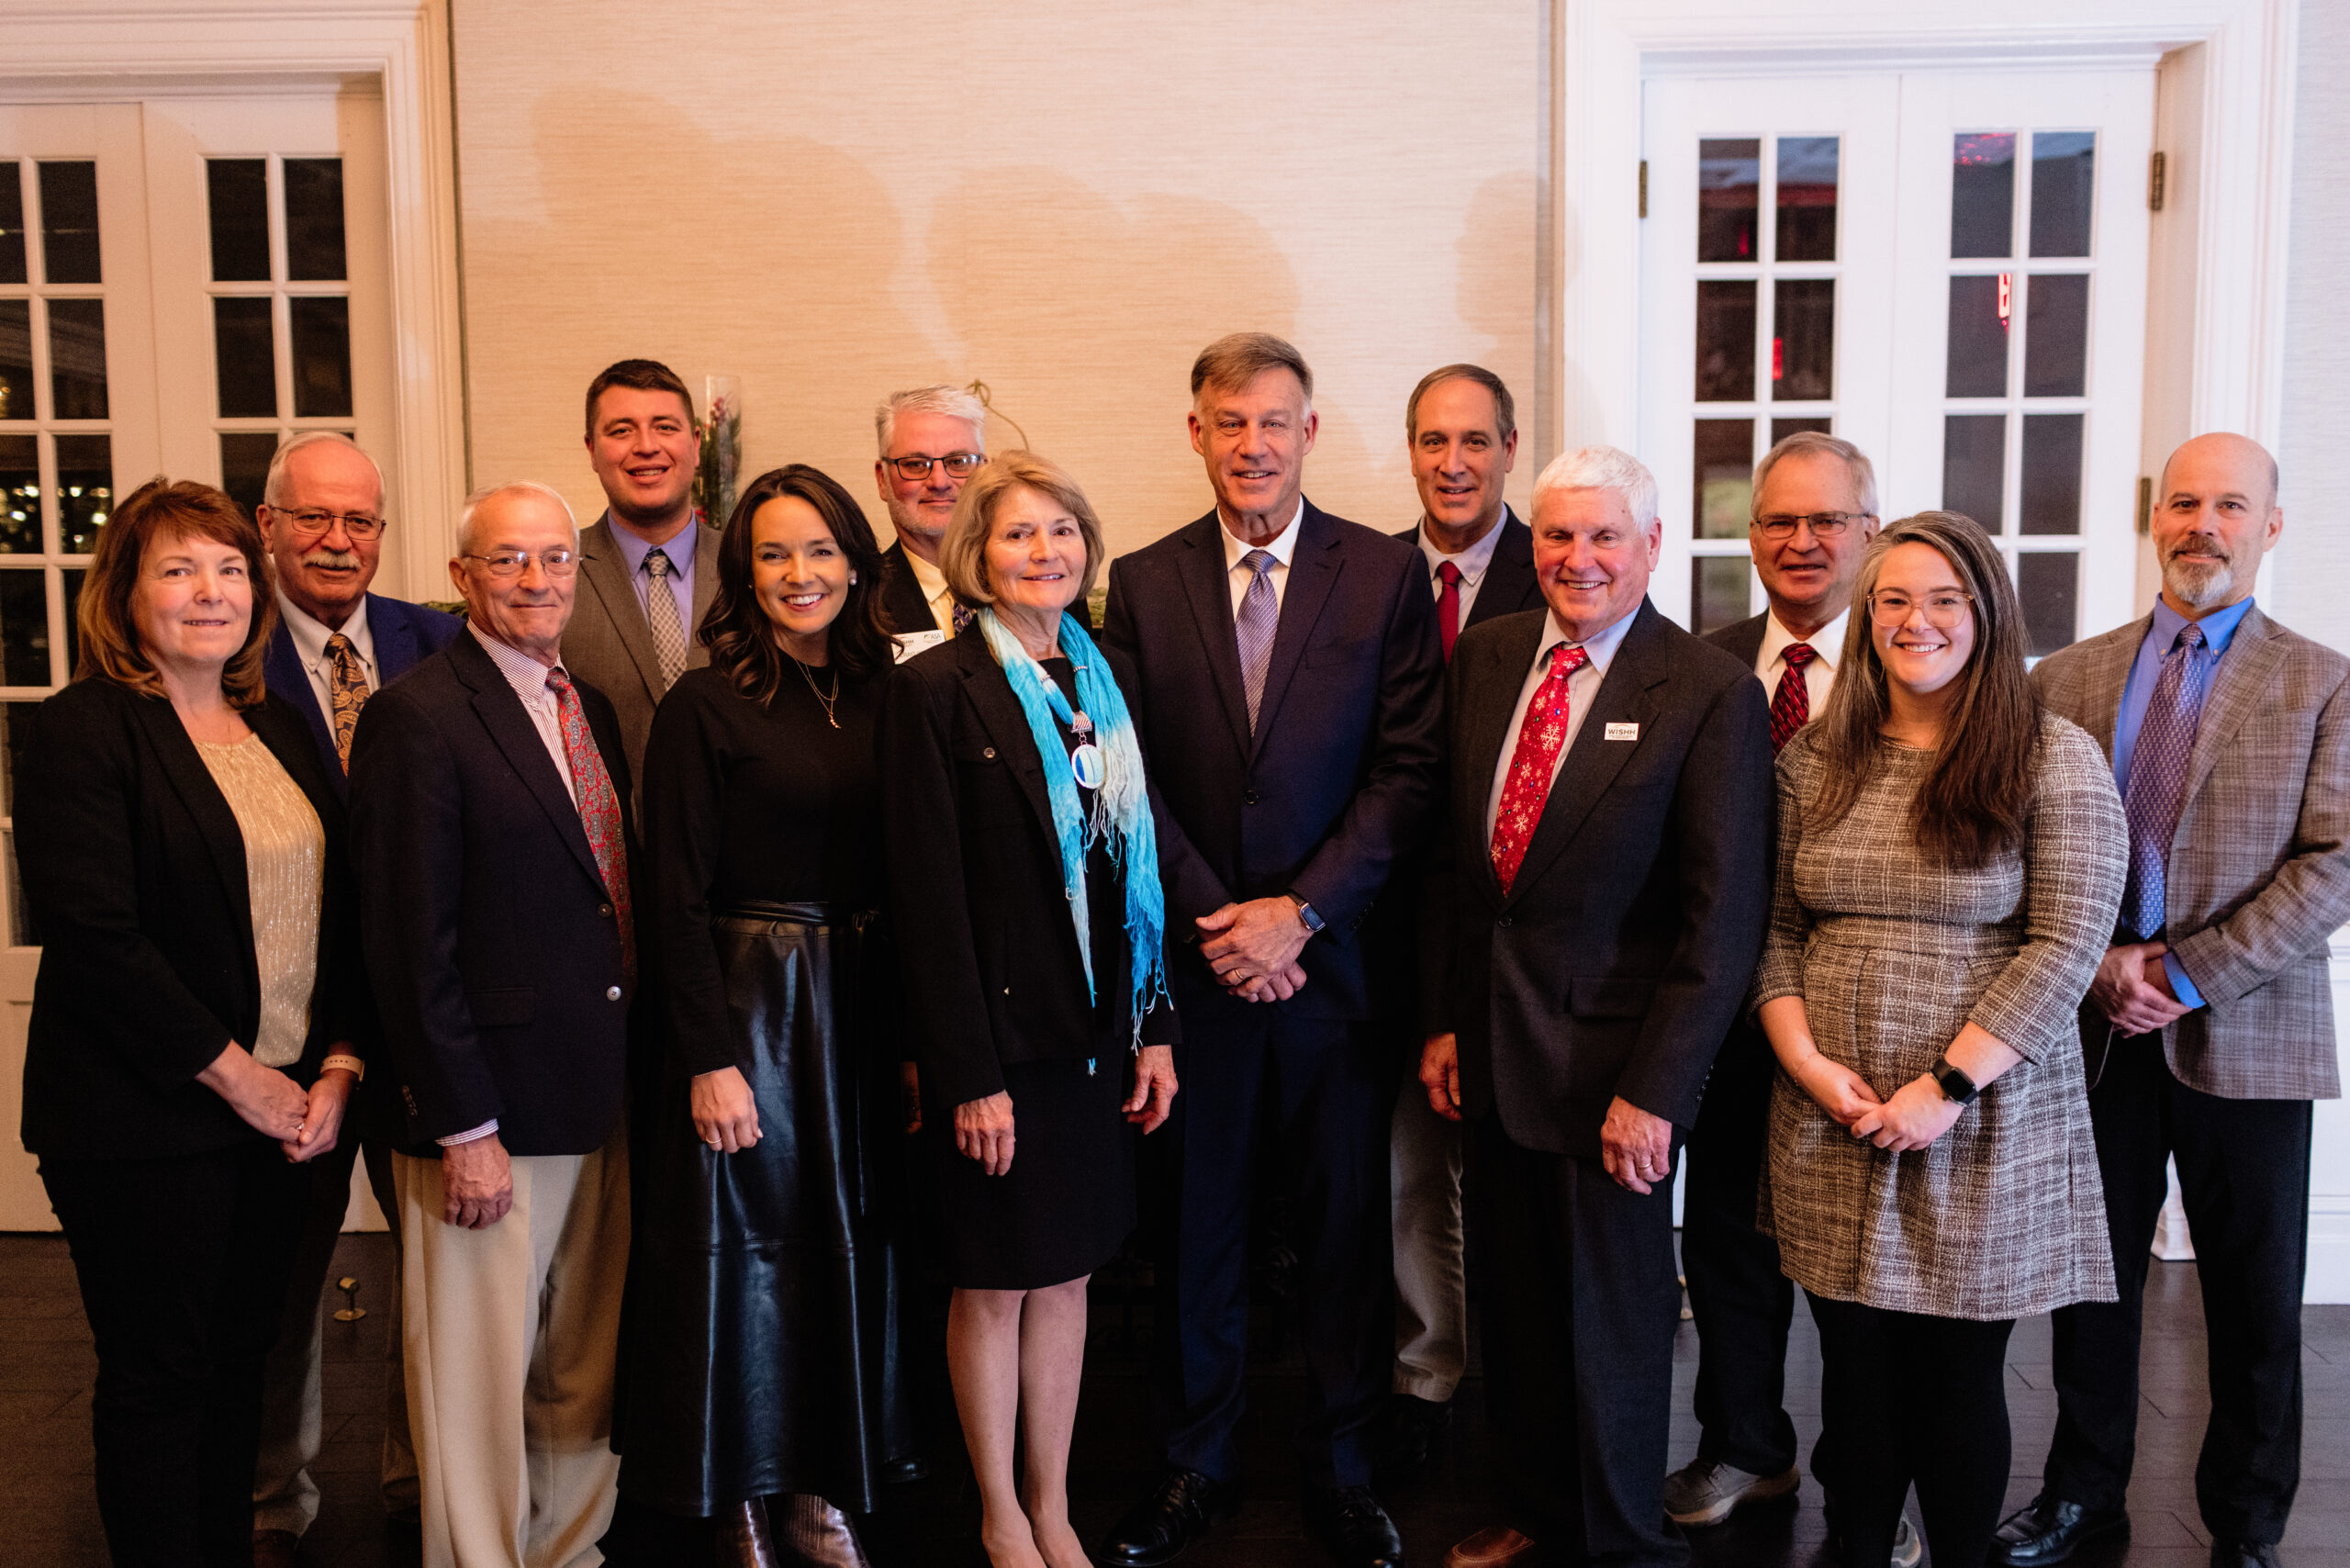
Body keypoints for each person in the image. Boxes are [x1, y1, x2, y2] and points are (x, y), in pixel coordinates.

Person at [1100, 333, 1443, 1568]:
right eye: (1229, 422)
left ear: (1311, 432)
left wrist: (1300, 914)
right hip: (1197, 984)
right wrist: (1223, 924)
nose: (1253, 445)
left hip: (1333, 975)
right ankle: (1196, 1466)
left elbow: (1411, 772)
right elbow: (1124, 785)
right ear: (1195, 432)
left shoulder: (1382, 577)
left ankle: (1347, 1473)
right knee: (1198, 1235)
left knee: (1344, 1235)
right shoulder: (1138, 583)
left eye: (1275, 423)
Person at [1999, 433, 2350, 1568]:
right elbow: (2032, 844)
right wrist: (2101, 959)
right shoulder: (2069, 676)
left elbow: (2334, 862)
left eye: (2230, 505)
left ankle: (2246, 1524)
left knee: (2254, 1301)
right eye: (2184, 503)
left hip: (2248, 1026)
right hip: (2093, 1027)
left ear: (2270, 525)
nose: (2203, 525)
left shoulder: (2323, 679)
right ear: (2155, 518)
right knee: (2087, 1281)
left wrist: (2187, 971)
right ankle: (2079, 1493)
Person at [1419, 445, 1773, 1568]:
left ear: (1652, 547)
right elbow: (1455, 868)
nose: (1578, 559)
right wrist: (1443, 1019)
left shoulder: (1710, 691)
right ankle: (1535, 1509)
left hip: (1614, 1073)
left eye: (1604, 536)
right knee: (1514, 1315)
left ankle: (1619, 1541)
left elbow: (1720, 923)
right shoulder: (1482, 660)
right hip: (1491, 1044)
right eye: (1559, 537)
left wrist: (1655, 1093)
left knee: (1610, 1330)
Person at [1755, 511, 2124, 1568]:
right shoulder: (1816, 758)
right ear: (1866, 618)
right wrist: (1810, 1067)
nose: (1915, 621)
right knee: (1855, 1385)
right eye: (1892, 600)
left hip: (1983, 1118)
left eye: (1943, 599)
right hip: (1830, 1117)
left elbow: (2065, 942)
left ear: (1986, 612)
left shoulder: (2051, 754)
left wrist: (1944, 1085)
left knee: (1958, 1384)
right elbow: (1774, 930)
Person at [16, 478, 366, 1567]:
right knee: (162, 1379)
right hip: (146, 1124)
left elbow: (342, 912)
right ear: (122, 595)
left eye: (227, 568)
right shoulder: (80, 730)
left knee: (240, 1366)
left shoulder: (278, 730)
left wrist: (339, 1067)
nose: (210, 591)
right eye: (176, 569)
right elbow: (97, 937)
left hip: (289, 1118)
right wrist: (241, 1078)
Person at [883, 451, 1181, 1568]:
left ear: (1086, 550)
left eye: (1062, 531)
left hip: (1096, 1041)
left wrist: (1155, 1031)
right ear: (978, 554)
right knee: (995, 1283)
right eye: (1019, 534)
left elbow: (1132, 881)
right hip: (999, 1052)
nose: (1043, 552)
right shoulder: (933, 690)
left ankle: (1053, 1503)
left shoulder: (1105, 684)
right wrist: (968, 1071)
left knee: (1067, 1275)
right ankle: (999, 1513)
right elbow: (927, 899)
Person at [616, 464, 909, 1568]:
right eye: (774, 553)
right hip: (749, 1001)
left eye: (821, 550)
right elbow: (672, 894)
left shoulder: (889, 690)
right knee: (741, 1265)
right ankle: (740, 1494)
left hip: (860, 999)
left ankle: (822, 1493)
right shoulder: (705, 702)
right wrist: (707, 1055)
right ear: (743, 571)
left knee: (845, 1257)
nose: (801, 574)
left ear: (855, 561)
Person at [349, 481, 637, 1568]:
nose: (536, 580)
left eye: (555, 559)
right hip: (487, 1114)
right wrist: (461, 1124)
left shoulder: (589, 707)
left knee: (580, 1360)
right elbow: (404, 945)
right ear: (463, 576)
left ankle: (565, 1548)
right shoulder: (416, 717)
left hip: (594, 1090)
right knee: (474, 1377)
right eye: (508, 560)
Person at [1669, 431, 1919, 1562]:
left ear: (1871, 533)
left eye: (1828, 521)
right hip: (1726, 1013)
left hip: (1868, 1025)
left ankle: (1876, 1482)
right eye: (1780, 520)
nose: (1803, 541)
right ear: (1750, 535)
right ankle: (1744, 1441)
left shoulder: (1922, 670)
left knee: (1867, 1268)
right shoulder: (1702, 668)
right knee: (1727, 1239)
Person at [252, 430, 460, 1567]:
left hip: (424, 1014)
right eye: (315, 518)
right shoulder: (230, 655)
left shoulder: (438, 642)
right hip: (293, 1019)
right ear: (270, 524)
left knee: (435, 1270)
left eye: (360, 521)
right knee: (291, 1267)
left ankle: (416, 1479)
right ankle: (273, 1497)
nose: (339, 540)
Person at [1382, 363, 1540, 1475]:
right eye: (1433, 441)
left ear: (1509, 450)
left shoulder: (1566, 562)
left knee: (1517, 1173)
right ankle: (1428, 1367)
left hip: (1524, 935)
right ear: (1409, 452)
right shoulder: (1371, 574)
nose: (1453, 463)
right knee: (1408, 1163)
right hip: (1392, 922)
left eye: (1474, 441)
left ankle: (1526, 1382)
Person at [567, 358, 722, 788]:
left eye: (665, 427)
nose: (646, 446)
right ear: (591, 449)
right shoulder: (552, 573)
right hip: (604, 845)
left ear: (695, 444)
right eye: (621, 430)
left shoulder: (749, 566)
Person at [872, 383, 989, 638]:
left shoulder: (1039, 579)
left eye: (958, 462)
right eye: (915, 464)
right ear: (883, 480)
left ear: (985, 472)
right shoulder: (858, 601)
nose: (939, 482)